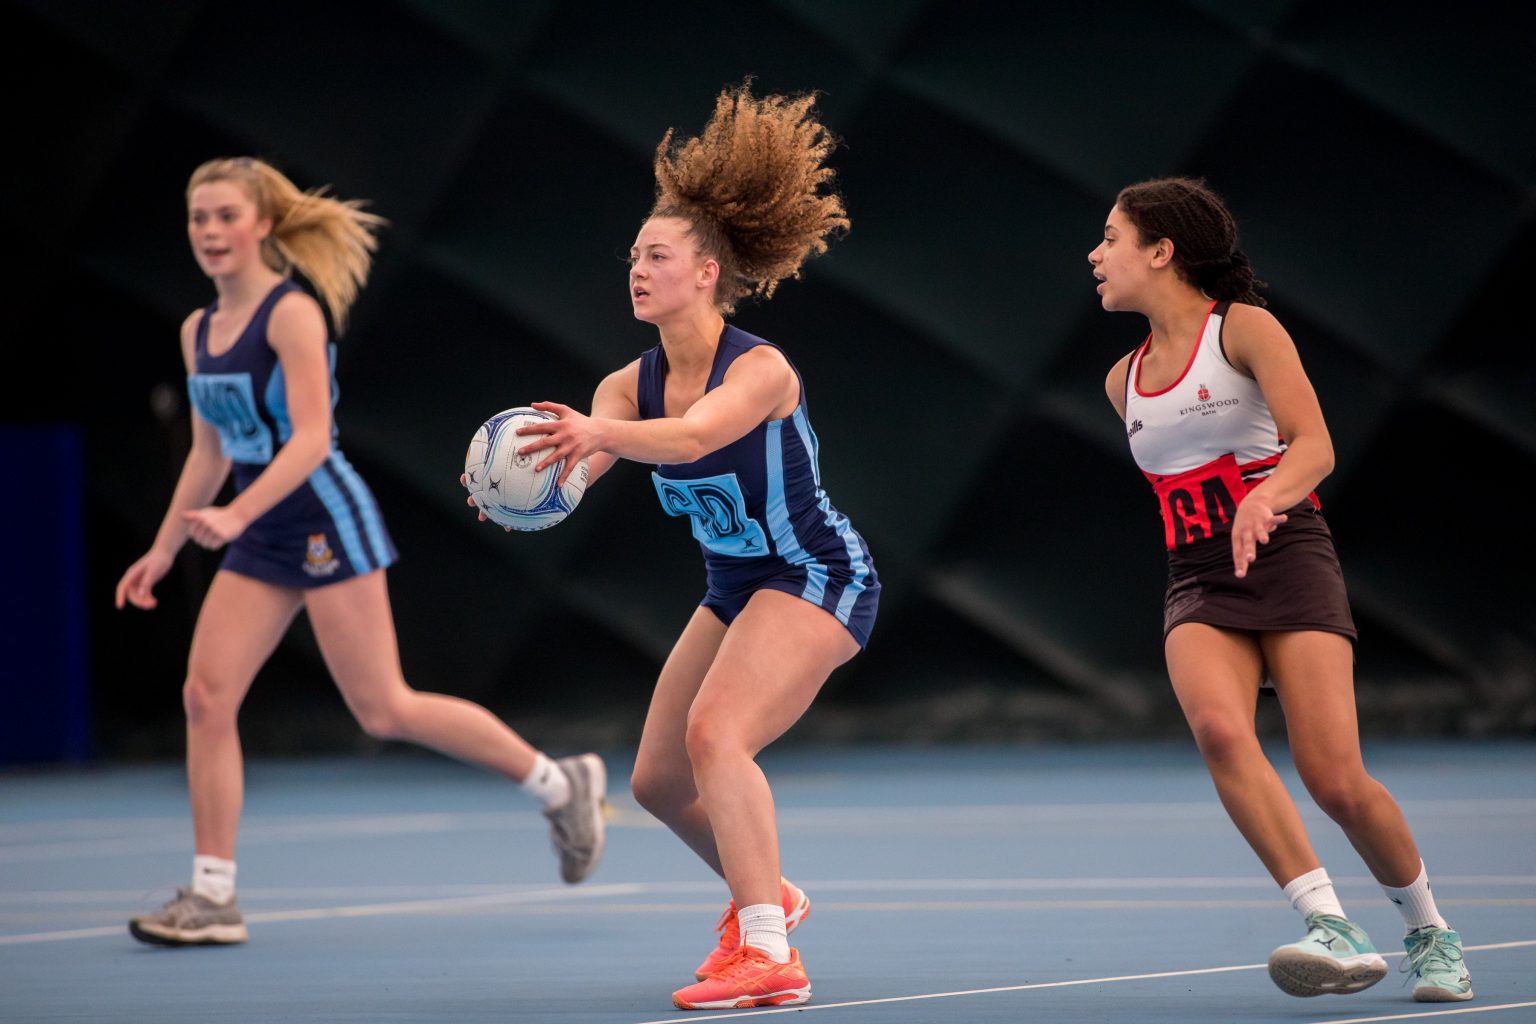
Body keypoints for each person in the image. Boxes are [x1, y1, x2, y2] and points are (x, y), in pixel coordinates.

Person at [116, 157, 606, 947]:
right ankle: (213, 896)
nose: (209, 232)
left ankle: (559, 783)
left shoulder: (290, 316)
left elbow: (311, 439)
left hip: (318, 517)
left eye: (224, 216)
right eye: (197, 218)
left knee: (384, 707)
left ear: (264, 225)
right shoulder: (196, 330)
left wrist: (239, 514)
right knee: (206, 697)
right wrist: (163, 548)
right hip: (258, 525)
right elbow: (208, 452)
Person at [478, 84, 877, 1010]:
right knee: (658, 780)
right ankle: (767, 895)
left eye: (655, 254)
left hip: (817, 574)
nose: (637, 268)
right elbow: (581, 469)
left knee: (716, 734)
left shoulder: (761, 368)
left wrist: (596, 436)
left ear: (706, 272)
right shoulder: (627, 384)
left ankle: (771, 949)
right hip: (735, 586)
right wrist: (523, 491)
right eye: (631, 256)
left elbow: (695, 438)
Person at [1090, 177, 1472, 1002]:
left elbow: (1315, 445)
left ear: (1161, 251)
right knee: (1221, 732)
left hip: (1288, 553)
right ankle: (1329, 923)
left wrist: (1266, 496)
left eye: (1112, 238)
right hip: (1198, 576)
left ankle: (1431, 930)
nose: (1097, 254)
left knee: (1334, 777)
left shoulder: (1246, 331)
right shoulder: (1122, 382)